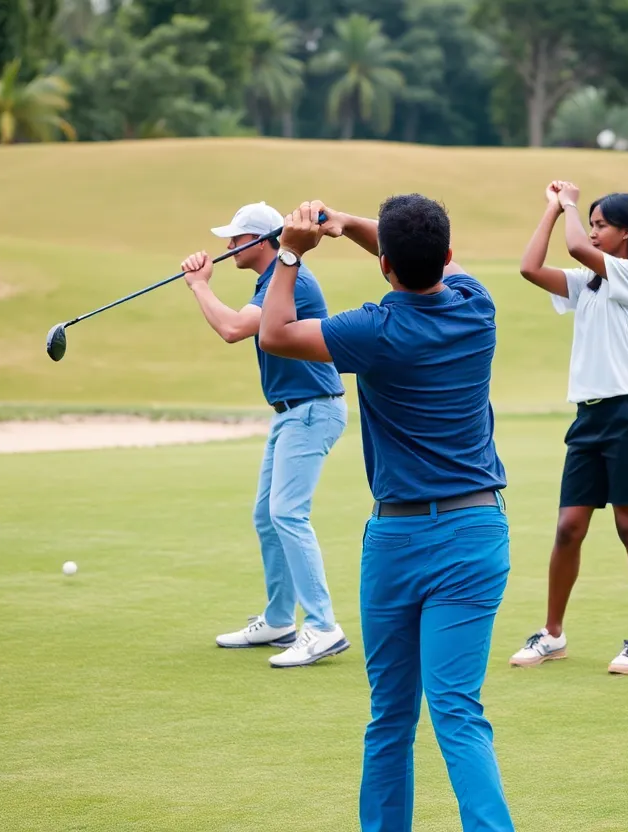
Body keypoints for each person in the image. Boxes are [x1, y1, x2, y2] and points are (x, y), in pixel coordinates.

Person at [258, 196, 513, 832]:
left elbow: (275, 333)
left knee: (391, 716)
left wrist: (292, 251)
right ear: (449, 257)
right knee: (457, 711)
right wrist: (345, 225)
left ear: (384, 268)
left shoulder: (372, 330)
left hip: (398, 538)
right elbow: (411, 255)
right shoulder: (475, 305)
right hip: (478, 530)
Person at [181, 201, 350, 667]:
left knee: (288, 514)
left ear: (260, 240)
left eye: (235, 238)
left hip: (313, 410)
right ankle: (280, 620)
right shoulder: (270, 279)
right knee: (266, 516)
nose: (228, 246)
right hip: (290, 413)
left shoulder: (290, 277)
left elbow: (235, 329)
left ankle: (322, 626)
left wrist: (198, 286)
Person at [511, 181, 628, 675]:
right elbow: (530, 268)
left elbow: (576, 247)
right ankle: (552, 634)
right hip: (589, 416)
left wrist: (571, 202)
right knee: (568, 527)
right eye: (591, 224)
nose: (593, 233)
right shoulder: (589, 283)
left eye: (602, 225)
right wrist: (553, 209)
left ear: (626, 232)